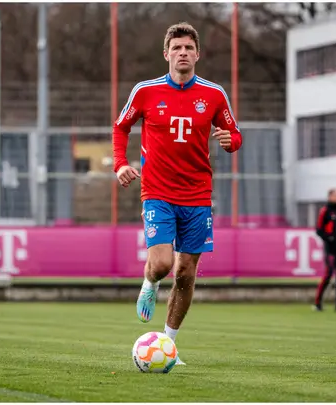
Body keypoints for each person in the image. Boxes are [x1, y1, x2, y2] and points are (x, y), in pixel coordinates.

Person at [111, 22, 243, 365]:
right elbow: (121, 127)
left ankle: (169, 343)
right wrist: (120, 164)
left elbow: (233, 132)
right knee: (163, 264)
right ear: (166, 53)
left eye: (188, 48)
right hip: (157, 190)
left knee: (186, 272)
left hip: (198, 195)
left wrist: (232, 142)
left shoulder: (214, 94)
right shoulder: (145, 91)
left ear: (197, 54)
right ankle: (150, 281)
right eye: (177, 48)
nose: (182, 53)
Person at [313, 188, 336, 312]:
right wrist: (329, 238)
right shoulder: (325, 211)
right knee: (328, 274)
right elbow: (319, 229)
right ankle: (318, 303)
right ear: (330, 197)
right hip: (330, 249)